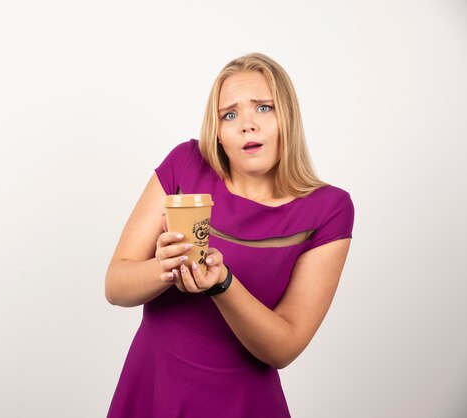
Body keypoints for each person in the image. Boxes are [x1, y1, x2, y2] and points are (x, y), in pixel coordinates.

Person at [104, 52, 354, 418]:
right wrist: (164, 267)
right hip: (154, 386)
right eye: (230, 115)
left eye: (264, 108)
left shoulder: (328, 209)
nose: (246, 125)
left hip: (242, 403)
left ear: (288, 116)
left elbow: (284, 347)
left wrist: (221, 284)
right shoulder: (185, 164)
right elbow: (115, 284)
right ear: (218, 132)